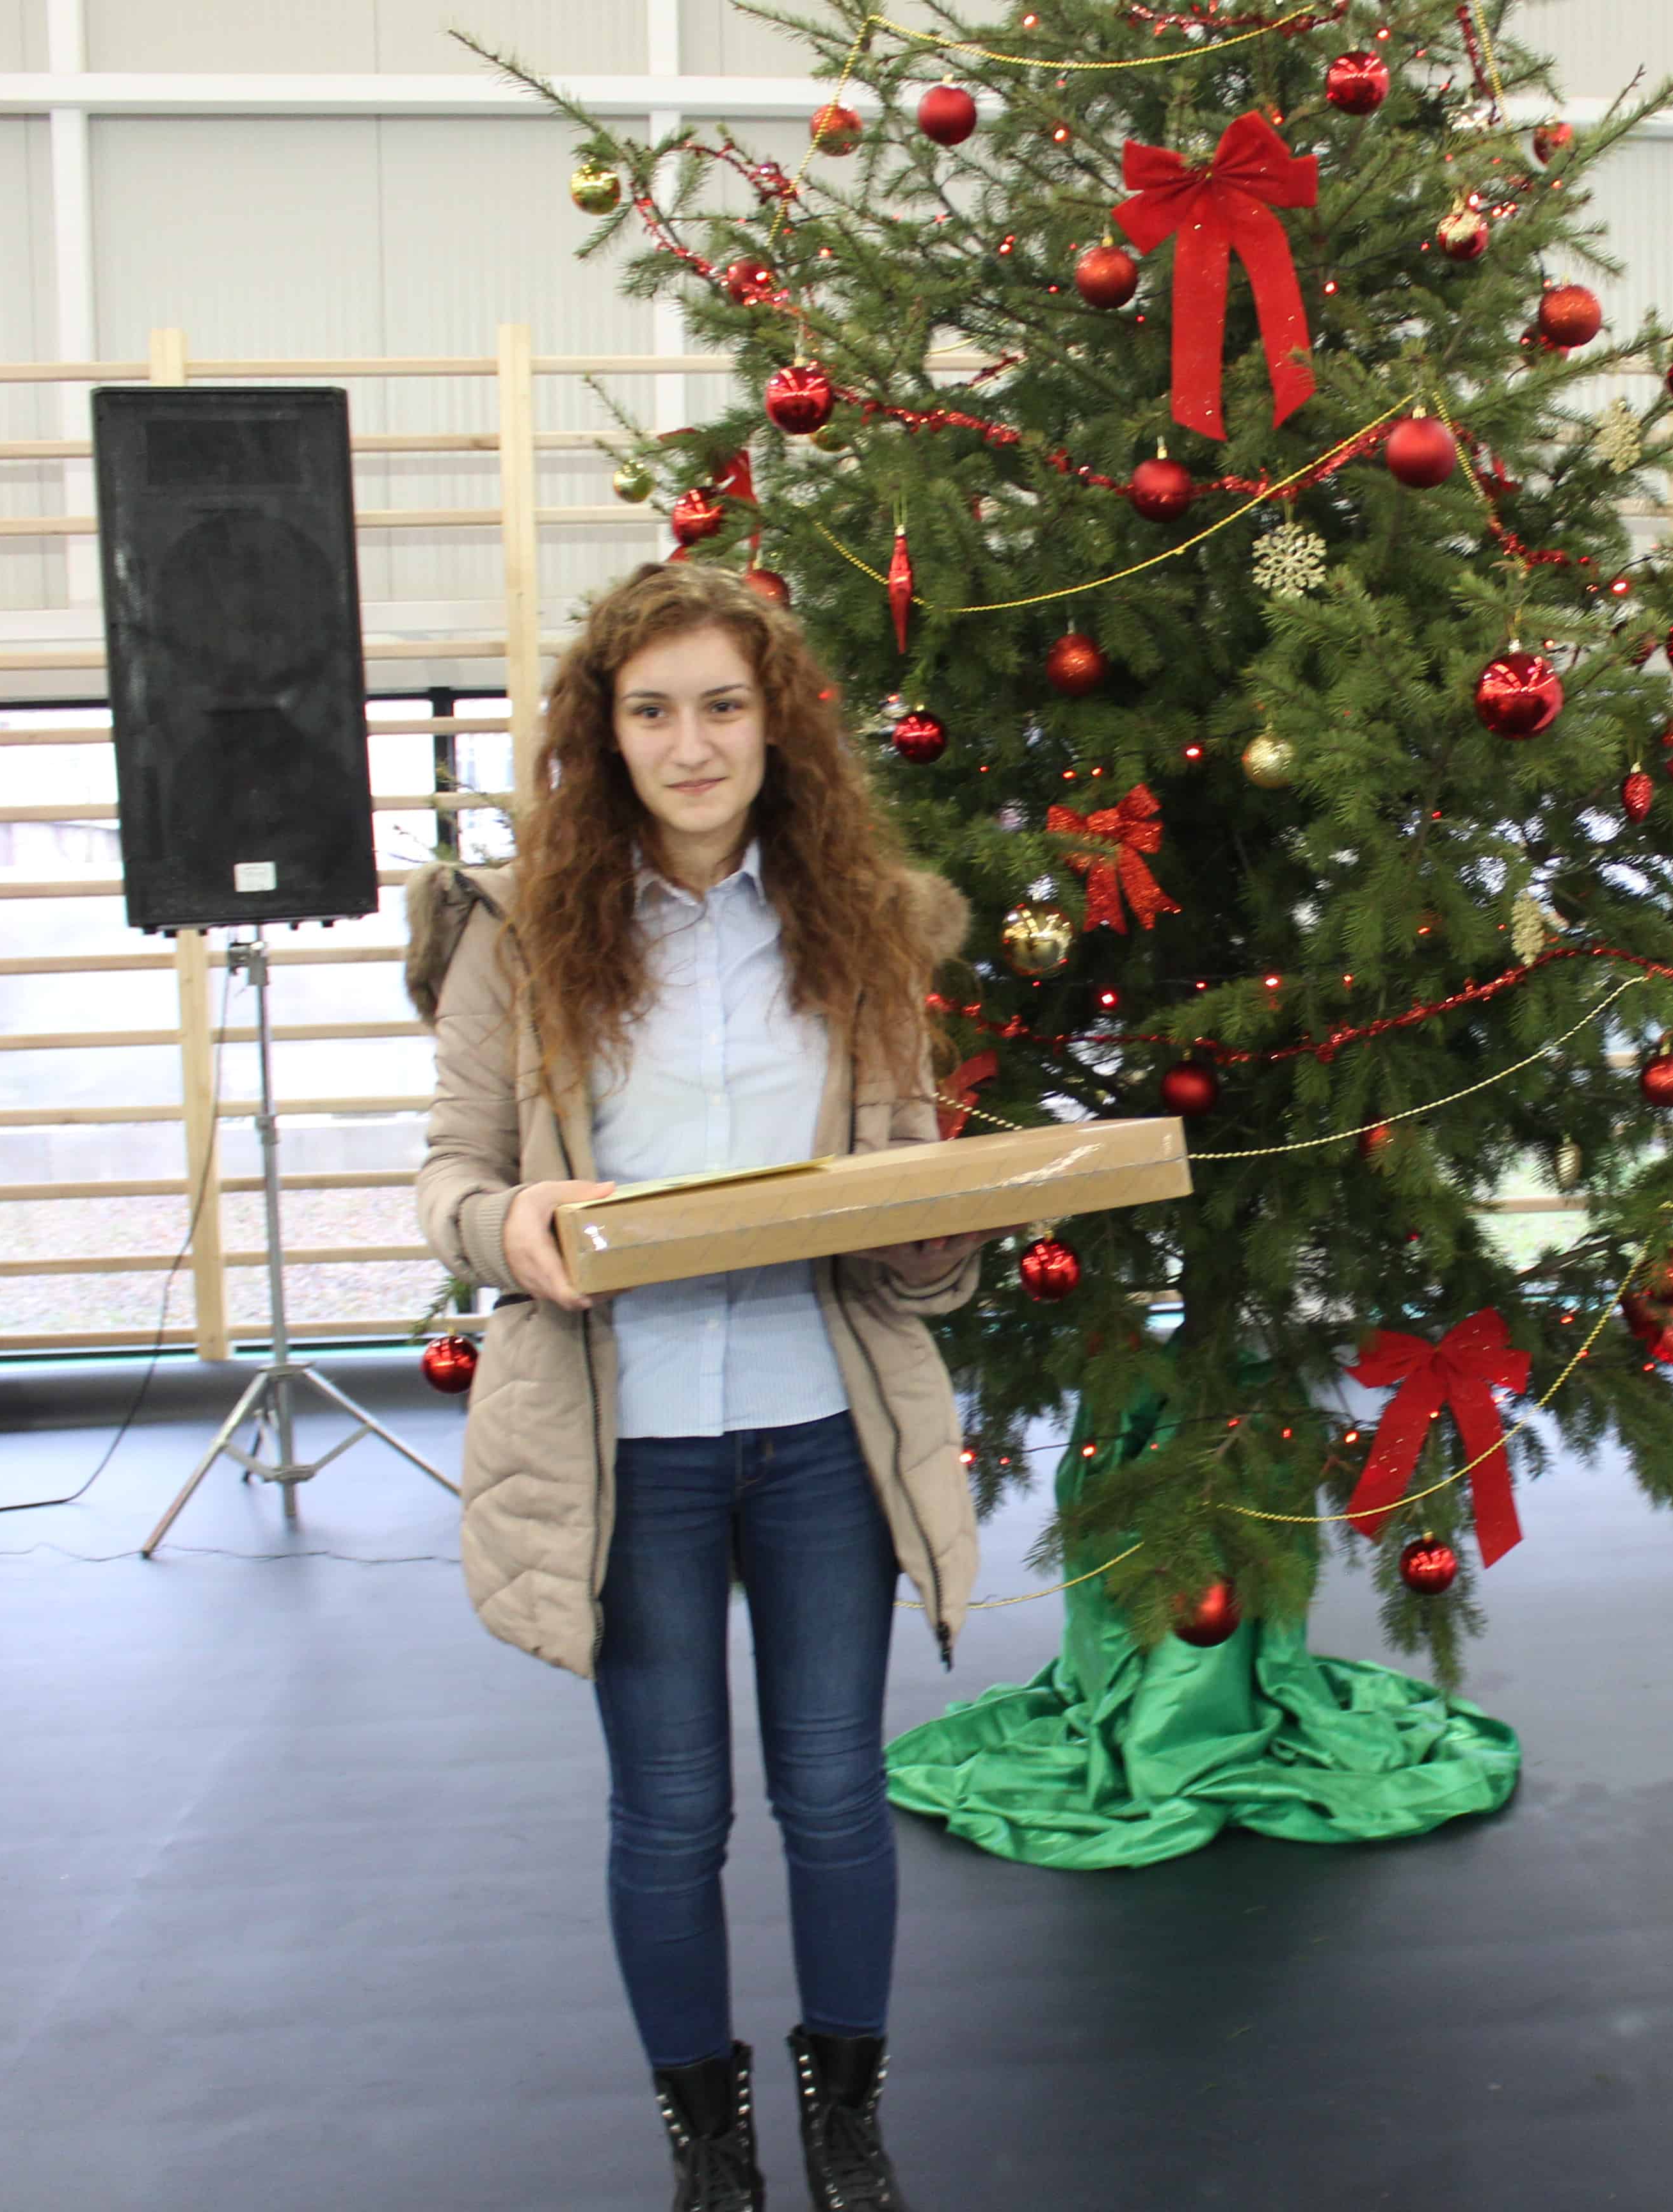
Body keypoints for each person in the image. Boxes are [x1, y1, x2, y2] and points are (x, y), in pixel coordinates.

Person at [410, 560, 981, 2212]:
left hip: (822, 1429)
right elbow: (450, 1176)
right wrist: (510, 1224)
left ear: (774, 721)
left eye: (724, 705)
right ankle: (711, 2148)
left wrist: (935, 1241)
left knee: (836, 1799)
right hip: (629, 1444)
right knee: (668, 1818)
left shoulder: (863, 924)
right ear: (606, 732)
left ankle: (847, 2129)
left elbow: (904, 1183)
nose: (691, 743)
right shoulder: (517, 934)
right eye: (652, 710)